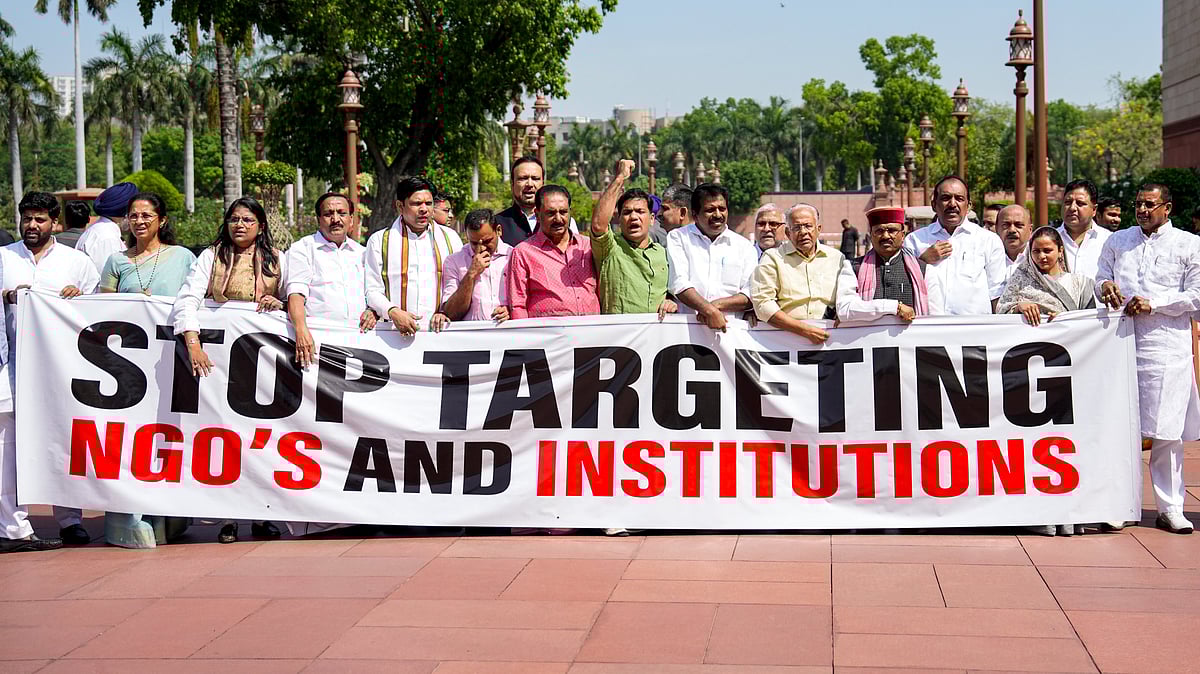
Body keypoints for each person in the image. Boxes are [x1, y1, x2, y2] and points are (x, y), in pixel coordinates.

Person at [172, 196, 286, 544]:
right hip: (216, 361)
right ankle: (227, 518)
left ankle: (263, 514)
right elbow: (187, 299)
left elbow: (298, 299)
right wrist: (193, 344)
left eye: (247, 220)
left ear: (261, 226)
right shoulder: (210, 256)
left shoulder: (278, 259)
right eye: (234, 219)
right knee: (223, 437)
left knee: (262, 438)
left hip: (264, 363)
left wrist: (277, 303)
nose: (240, 225)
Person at [94, 192, 198, 547]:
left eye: (146, 216)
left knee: (168, 434)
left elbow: (196, 300)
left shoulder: (183, 257)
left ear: (162, 221)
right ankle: (125, 513)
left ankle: (170, 511)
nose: (139, 222)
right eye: (133, 216)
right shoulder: (115, 261)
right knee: (129, 435)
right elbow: (99, 307)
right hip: (126, 370)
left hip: (172, 361)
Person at [1097, 183, 1200, 534]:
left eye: (1149, 204)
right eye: (1138, 204)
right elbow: (1100, 277)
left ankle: (1170, 508)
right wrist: (1105, 287)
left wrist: (1155, 304)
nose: (1141, 210)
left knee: (1166, 434)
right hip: (1120, 345)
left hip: (1166, 349)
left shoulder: (1189, 244)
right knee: (1121, 430)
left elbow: (1197, 298)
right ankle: (1122, 504)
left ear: (1167, 208)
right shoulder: (1118, 240)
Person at [0, 193, 99, 552]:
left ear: (55, 222)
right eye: (27, 218)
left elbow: (100, 312)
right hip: (10, 367)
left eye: (39, 219)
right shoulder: (4, 257)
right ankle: (13, 525)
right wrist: (8, 295)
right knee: (8, 447)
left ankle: (70, 520)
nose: (31, 226)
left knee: (62, 440)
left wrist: (80, 297)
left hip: (61, 369)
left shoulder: (77, 262)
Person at [284, 192, 376, 537]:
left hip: (359, 358)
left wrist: (374, 310)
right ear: (317, 219)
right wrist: (302, 330)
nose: (335, 219)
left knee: (356, 433)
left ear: (352, 219)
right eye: (328, 214)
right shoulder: (303, 249)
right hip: (317, 355)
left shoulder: (364, 254)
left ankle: (355, 511)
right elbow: (296, 293)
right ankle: (311, 517)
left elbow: (374, 293)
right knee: (316, 432)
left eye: (341, 213)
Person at [364, 176, 463, 336]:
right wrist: (393, 312)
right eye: (416, 204)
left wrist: (446, 312)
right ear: (400, 206)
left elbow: (458, 284)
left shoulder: (450, 238)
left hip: (441, 334)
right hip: (394, 335)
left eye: (428, 203)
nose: (424, 209)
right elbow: (372, 290)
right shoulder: (380, 241)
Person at [903, 175, 1007, 314]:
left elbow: (996, 292)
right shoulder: (914, 240)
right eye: (946, 198)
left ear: (969, 205)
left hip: (975, 329)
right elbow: (902, 285)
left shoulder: (988, 240)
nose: (952, 204)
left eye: (959, 198)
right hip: (928, 328)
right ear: (934, 204)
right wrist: (922, 262)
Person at [667, 183, 758, 331]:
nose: (717, 215)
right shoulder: (678, 238)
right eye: (710, 210)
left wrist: (713, 308)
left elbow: (750, 294)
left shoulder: (744, 247)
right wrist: (708, 310)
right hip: (688, 330)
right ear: (695, 214)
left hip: (732, 332)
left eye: (722, 209)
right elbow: (678, 282)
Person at [750, 203, 839, 344]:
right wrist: (804, 331)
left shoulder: (837, 258)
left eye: (808, 226)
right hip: (787, 341)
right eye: (796, 227)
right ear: (787, 233)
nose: (803, 232)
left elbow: (848, 296)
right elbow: (763, 304)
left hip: (831, 340)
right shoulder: (773, 258)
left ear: (818, 229)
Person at [507, 185, 600, 318]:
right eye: (550, 213)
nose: (558, 219)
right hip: (549, 335)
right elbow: (518, 305)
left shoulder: (587, 246)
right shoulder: (523, 252)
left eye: (563, 212)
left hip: (591, 332)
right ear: (537, 215)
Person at [837, 206, 944, 321]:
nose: (886, 236)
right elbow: (844, 309)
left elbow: (936, 319)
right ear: (871, 236)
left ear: (903, 235)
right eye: (879, 231)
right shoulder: (852, 268)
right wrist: (893, 307)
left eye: (892, 230)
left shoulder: (924, 271)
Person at [430, 209, 513, 329]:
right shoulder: (454, 261)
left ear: (498, 230)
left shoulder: (513, 256)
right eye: (474, 243)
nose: (482, 248)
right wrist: (471, 274)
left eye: (487, 241)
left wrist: (510, 310)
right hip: (472, 339)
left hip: (509, 333)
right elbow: (451, 313)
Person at [1056, 179, 1112, 280]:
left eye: (1080, 203)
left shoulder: (1109, 240)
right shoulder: (1048, 239)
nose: (1072, 208)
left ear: (1094, 210)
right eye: (1068, 202)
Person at [76, 181, 136, 274]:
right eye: (134, 215)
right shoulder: (107, 238)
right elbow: (108, 279)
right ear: (125, 214)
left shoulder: (99, 230)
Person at [997, 204, 1033, 281]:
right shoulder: (987, 258)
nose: (1012, 230)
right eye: (1005, 225)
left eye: (1019, 225)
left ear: (1030, 230)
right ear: (997, 229)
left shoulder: (1039, 258)